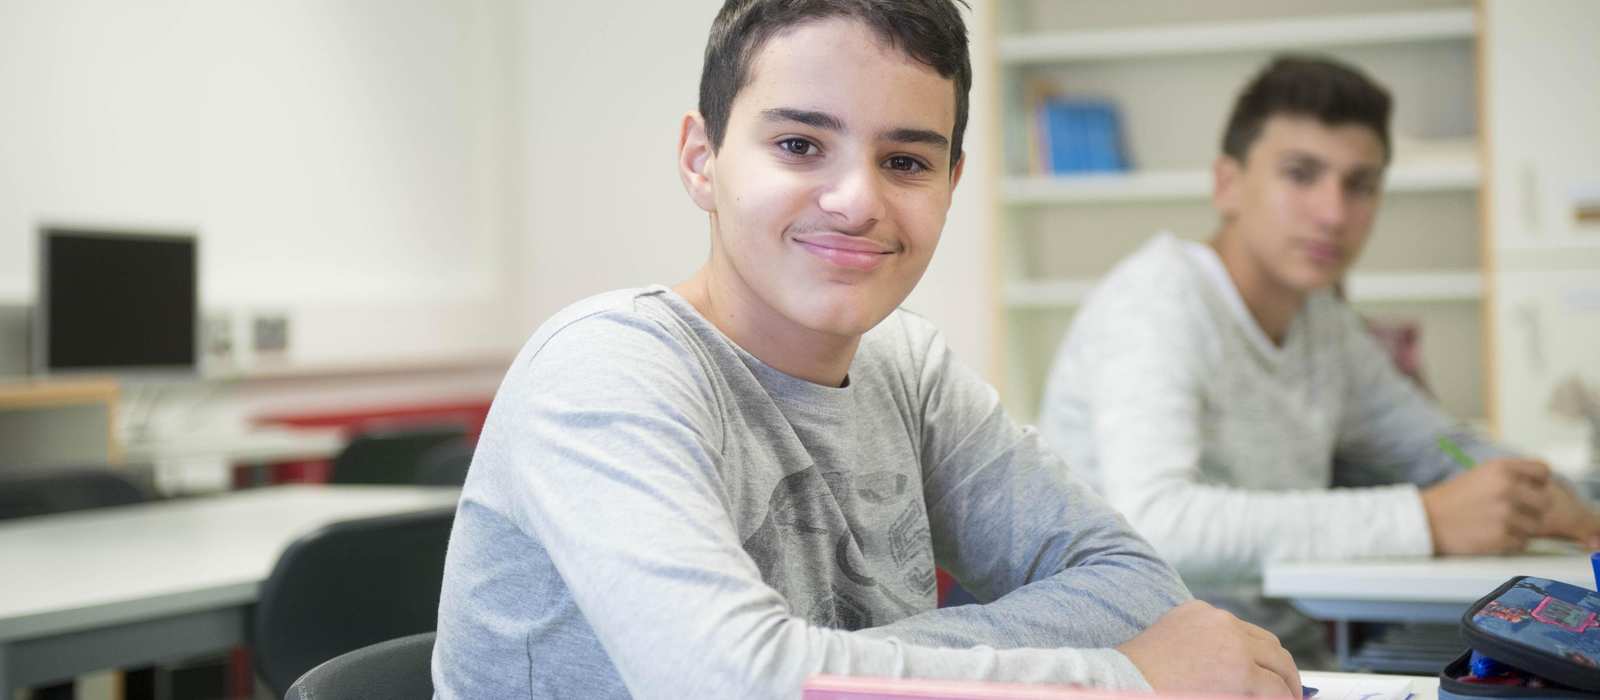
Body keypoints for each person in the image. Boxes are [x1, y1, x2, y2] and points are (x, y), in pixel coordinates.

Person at [432, 1, 1305, 698]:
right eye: (800, 145)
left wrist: (818, 664)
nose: (856, 199)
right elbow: (731, 683)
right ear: (702, 159)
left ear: (952, 184)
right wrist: (1118, 676)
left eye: (907, 161)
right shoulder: (607, 367)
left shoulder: (907, 369)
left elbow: (1132, 582)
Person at [1036, 54, 1600, 665]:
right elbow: (1156, 519)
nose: (1334, 213)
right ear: (1227, 183)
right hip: (1139, 664)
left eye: (1360, 184)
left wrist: (1549, 493)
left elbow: (1437, 445)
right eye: (1301, 174)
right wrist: (1425, 521)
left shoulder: (1321, 321)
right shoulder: (1157, 300)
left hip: (1278, 652)